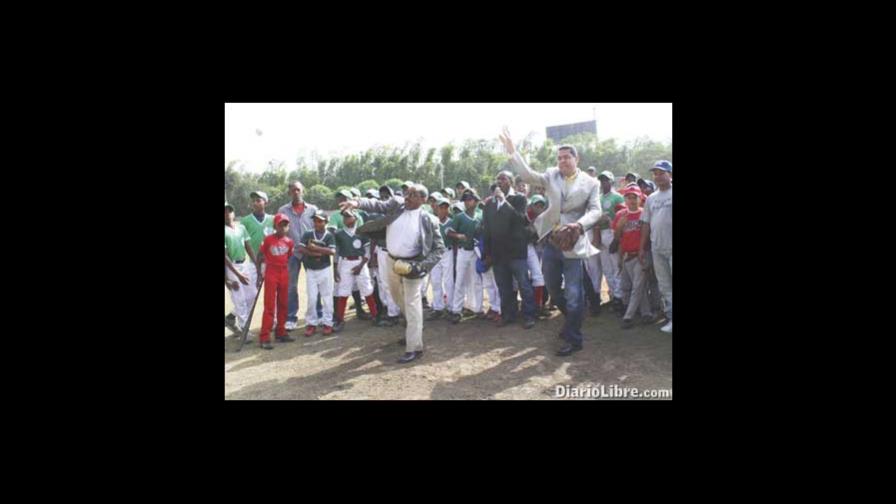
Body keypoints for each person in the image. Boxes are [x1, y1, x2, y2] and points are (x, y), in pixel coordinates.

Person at [499, 127, 600, 357]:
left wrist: (579, 225)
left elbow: (595, 211)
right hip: (552, 242)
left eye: (567, 157)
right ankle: (572, 319)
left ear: (577, 159)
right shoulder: (551, 174)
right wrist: (513, 152)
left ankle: (574, 337)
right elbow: (527, 176)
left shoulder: (590, 183)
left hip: (574, 243)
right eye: (560, 157)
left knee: (574, 294)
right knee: (554, 291)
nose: (563, 161)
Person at [341, 183, 445, 364]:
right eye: (408, 192)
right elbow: (376, 205)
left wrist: (420, 267)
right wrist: (357, 202)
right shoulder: (397, 204)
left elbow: (439, 249)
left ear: (423, 200)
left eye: (413, 194)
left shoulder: (429, 220)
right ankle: (412, 328)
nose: (408, 196)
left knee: (412, 304)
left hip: (412, 265)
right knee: (398, 300)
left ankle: (414, 347)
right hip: (391, 261)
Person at [482, 170, 536, 329]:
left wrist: (504, 202)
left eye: (503, 179)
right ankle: (508, 315)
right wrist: (487, 253)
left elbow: (520, 220)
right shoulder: (489, 204)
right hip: (498, 253)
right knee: (503, 286)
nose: (499, 182)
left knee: (523, 284)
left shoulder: (519, 199)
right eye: (497, 179)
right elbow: (487, 230)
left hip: (516, 251)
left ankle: (528, 315)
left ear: (511, 182)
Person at [277, 181, 321, 331]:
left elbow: (319, 229)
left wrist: (316, 248)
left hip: (310, 252)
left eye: (298, 190)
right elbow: (279, 232)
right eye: (293, 190)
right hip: (292, 254)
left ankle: (319, 313)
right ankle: (290, 317)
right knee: (291, 286)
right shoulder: (283, 210)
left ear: (303, 191)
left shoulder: (313, 209)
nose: (296, 192)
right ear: (289, 192)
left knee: (315, 283)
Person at [614, 187, 655, 329]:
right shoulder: (620, 214)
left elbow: (649, 236)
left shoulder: (644, 213)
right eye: (629, 197)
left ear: (640, 199)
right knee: (636, 286)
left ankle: (628, 316)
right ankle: (646, 313)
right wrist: (619, 226)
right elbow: (618, 239)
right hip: (627, 255)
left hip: (642, 255)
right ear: (625, 199)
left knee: (637, 286)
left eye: (635, 197)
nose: (632, 201)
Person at [640, 160, 673, 334]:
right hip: (657, 248)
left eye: (662, 173)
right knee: (665, 285)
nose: (658, 176)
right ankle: (671, 318)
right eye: (655, 173)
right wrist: (641, 247)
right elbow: (646, 223)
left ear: (670, 175)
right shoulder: (651, 198)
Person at [333, 209, 378, 331]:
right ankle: (340, 320)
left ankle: (375, 316)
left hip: (360, 262)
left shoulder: (362, 233)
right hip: (345, 262)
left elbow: (367, 251)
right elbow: (336, 252)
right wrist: (335, 268)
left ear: (355, 218)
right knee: (343, 291)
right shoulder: (339, 234)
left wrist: (361, 265)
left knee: (367, 289)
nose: (345, 219)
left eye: (348, 217)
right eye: (344, 217)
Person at [255, 213, 296, 349]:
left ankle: (281, 332)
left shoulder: (289, 241)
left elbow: (288, 255)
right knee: (269, 306)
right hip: (271, 272)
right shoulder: (268, 240)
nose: (283, 227)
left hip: (283, 272)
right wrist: (259, 273)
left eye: (285, 225)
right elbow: (260, 255)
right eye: (280, 225)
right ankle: (264, 337)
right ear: (275, 226)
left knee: (283, 303)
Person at [446, 190, 484, 324]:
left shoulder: (480, 215)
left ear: (476, 201)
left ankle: (479, 309)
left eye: (471, 199)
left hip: (475, 252)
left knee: (477, 281)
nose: (468, 202)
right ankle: (456, 310)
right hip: (463, 251)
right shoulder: (459, 217)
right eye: (466, 200)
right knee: (460, 280)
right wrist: (458, 236)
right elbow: (448, 231)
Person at [297, 213, 336, 336]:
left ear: (326, 222)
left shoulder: (329, 236)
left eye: (320, 221)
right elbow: (301, 248)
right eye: (315, 221)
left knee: (327, 297)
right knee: (312, 298)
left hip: (325, 269)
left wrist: (315, 248)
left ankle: (328, 323)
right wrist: (315, 254)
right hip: (311, 270)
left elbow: (331, 251)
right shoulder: (308, 234)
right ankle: (311, 323)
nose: (317, 223)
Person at [225, 201, 260, 339]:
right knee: (239, 300)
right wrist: (236, 275)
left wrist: (256, 263)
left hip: (244, 264)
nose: (227, 213)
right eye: (225, 211)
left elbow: (248, 246)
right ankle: (244, 330)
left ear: (233, 212)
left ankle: (231, 318)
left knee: (252, 294)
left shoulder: (241, 228)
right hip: (231, 267)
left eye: (229, 210)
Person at [593, 170, 625, 314]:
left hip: (612, 233)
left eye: (606, 180)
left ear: (611, 182)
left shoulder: (617, 197)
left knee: (616, 267)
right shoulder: (598, 197)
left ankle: (620, 298)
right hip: (600, 233)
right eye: (601, 180)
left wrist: (616, 234)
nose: (603, 183)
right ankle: (613, 295)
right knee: (607, 268)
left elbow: (623, 217)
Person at [427, 196, 455, 320]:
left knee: (448, 281)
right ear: (436, 208)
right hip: (434, 253)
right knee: (436, 281)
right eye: (441, 207)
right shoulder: (431, 221)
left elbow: (454, 242)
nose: (443, 210)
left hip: (447, 252)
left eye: (445, 207)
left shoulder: (451, 222)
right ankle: (438, 307)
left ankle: (451, 307)